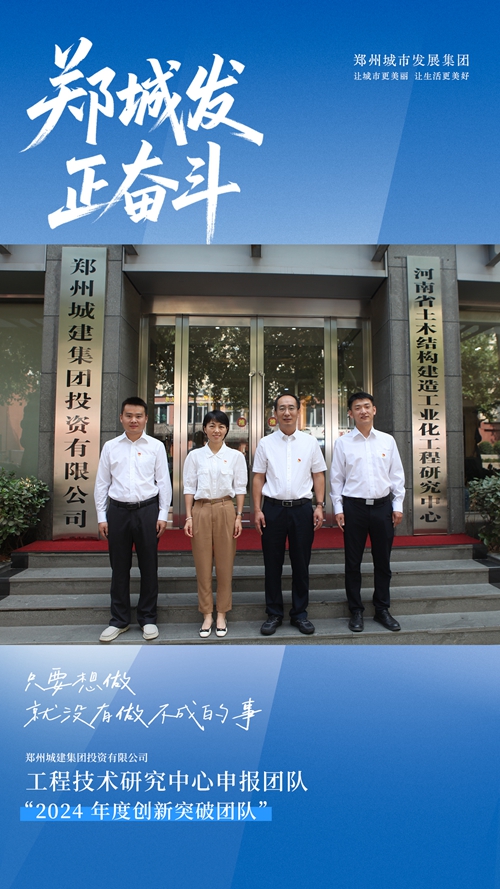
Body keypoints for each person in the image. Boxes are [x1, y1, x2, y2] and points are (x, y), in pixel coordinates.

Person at [94, 397, 171, 642]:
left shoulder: (156, 446)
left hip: (147, 511)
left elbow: (164, 482)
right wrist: (101, 516)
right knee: (119, 567)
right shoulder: (110, 447)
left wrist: (163, 514)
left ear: (146, 418)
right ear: (121, 418)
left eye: (138, 416)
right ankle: (119, 620)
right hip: (117, 512)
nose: (134, 420)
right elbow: (102, 483)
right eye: (129, 415)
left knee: (149, 566)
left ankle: (148, 618)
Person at [330, 391, 405, 633]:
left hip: (383, 507)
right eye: (357, 407)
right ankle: (356, 610)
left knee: (383, 561)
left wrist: (397, 505)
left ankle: (382, 608)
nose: (363, 411)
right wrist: (338, 508)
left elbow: (397, 476)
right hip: (354, 508)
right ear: (350, 413)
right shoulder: (343, 443)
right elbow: (337, 479)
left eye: (366, 406)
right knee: (353, 562)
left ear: (374, 410)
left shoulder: (387, 441)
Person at [252, 392, 326, 636]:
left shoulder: (310, 442)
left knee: (301, 564)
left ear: (298, 412)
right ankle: (273, 613)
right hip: (272, 510)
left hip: (302, 510)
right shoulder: (265, 443)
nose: (286, 412)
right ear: (275, 413)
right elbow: (258, 477)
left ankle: (300, 614)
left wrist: (319, 505)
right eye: (282, 408)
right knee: (272, 564)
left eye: (291, 408)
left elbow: (318, 475)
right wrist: (257, 509)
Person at [183, 410, 248, 639]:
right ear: (205, 429)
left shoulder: (236, 457)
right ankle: (206, 614)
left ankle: (221, 613)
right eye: (211, 426)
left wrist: (238, 516)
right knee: (202, 565)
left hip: (225, 508)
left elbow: (240, 488)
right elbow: (189, 487)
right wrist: (189, 516)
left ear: (227, 429)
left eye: (221, 426)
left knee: (224, 565)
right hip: (200, 509)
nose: (216, 430)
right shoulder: (194, 456)